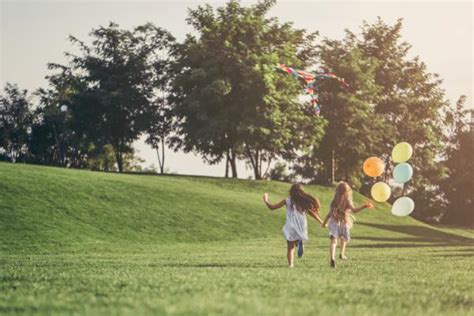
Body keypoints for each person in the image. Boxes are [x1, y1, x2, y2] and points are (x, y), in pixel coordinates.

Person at [262, 184, 324, 268]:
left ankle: (291, 264)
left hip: (291, 226)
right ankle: (299, 243)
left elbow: (272, 207)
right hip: (301, 225)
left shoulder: (287, 200)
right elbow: (311, 213)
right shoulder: (303, 202)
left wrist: (266, 200)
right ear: (301, 192)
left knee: (290, 247)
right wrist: (321, 221)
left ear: (291, 192)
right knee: (297, 239)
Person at [322, 181, 373, 268]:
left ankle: (332, 258)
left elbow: (329, 214)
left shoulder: (334, 201)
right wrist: (364, 206)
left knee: (333, 241)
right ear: (348, 191)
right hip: (343, 223)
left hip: (334, 222)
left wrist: (324, 223)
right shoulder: (347, 200)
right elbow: (354, 210)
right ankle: (342, 254)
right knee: (344, 238)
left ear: (337, 190)